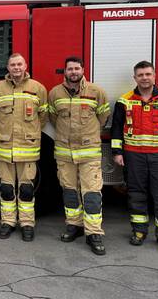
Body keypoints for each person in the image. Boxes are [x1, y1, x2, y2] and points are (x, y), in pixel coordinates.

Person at [111, 60, 158, 253]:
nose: (144, 78)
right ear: (135, 78)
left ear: (154, 76)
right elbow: (116, 128)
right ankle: (139, 231)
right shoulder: (124, 100)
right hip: (133, 155)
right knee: (136, 195)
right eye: (141, 75)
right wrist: (117, 152)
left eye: (148, 74)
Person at [48, 57, 110, 256]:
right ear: (64, 71)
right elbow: (53, 118)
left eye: (76, 68)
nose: (73, 72)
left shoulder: (96, 92)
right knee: (69, 191)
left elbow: (102, 117)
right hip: (64, 153)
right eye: (70, 69)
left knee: (91, 193)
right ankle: (74, 225)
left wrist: (89, 133)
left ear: (83, 70)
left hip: (89, 152)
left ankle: (94, 233)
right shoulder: (55, 93)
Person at [0, 53, 48, 242]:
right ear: (8, 67)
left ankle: (27, 223)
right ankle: (7, 222)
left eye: (19, 64)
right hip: (4, 148)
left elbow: (43, 117)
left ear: (25, 66)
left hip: (28, 148)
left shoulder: (38, 88)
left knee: (26, 190)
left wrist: (30, 133)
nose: (16, 68)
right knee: (6, 189)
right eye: (13, 65)